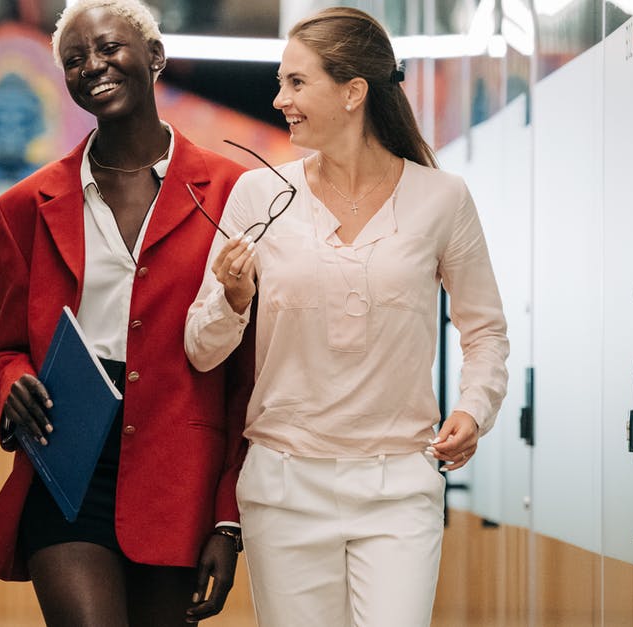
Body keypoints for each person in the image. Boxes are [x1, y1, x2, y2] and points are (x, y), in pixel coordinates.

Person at [184, 7, 509, 627]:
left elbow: (486, 330)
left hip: (399, 488)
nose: (280, 98)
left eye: (296, 83)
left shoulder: (442, 198)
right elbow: (201, 348)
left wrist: (474, 408)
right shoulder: (258, 195)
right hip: (283, 487)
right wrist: (232, 297)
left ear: (353, 92)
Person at [0, 1, 255, 625]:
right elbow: (5, 352)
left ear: (154, 57)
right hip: (67, 460)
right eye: (74, 61)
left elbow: (247, 378)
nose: (92, 67)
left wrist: (228, 520)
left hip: (179, 472)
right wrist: (10, 383)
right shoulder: (24, 206)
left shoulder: (235, 192)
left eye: (108, 48)